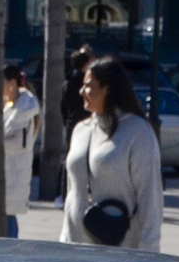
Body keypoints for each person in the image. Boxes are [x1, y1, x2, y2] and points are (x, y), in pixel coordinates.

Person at [60, 56, 161, 251]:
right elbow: (72, 193)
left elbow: (150, 197)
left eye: (88, 86)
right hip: (73, 250)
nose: (81, 92)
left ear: (107, 89)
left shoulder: (137, 132)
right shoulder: (81, 129)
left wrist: (150, 254)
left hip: (117, 252)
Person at [0, 63, 38, 236]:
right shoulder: (8, 106)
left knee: (9, 215)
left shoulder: (26, 107)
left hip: (15, 169)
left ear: (12, 83)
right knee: (5, 214)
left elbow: (18, 141)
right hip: (6, 169)